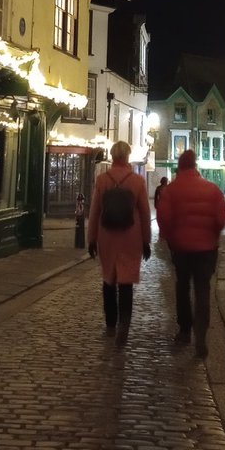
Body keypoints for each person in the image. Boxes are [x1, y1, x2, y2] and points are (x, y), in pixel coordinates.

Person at [156, 149, 225, 360]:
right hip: (206, 249)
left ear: (179, 166)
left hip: (181, 248)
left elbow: (164, 218)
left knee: (182, 286)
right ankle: (201, 334)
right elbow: (221, 218)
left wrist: (169, 238)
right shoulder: (212, 189)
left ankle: (185, 330)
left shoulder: (171, 191)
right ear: (195, 165)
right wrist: (213, 235)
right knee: (203, 290)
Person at [87, 140, 152, 346]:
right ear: (127, 156)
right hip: (130, 236)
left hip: (107, 236)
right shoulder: (137, 181)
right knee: (126, 283)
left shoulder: (102, 179)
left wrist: (91, 239)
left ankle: (111, 324)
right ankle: (125, 323)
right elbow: (144, 212)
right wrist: (146, 241)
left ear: (113, 156)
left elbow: (95, 211)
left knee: (109, 280)